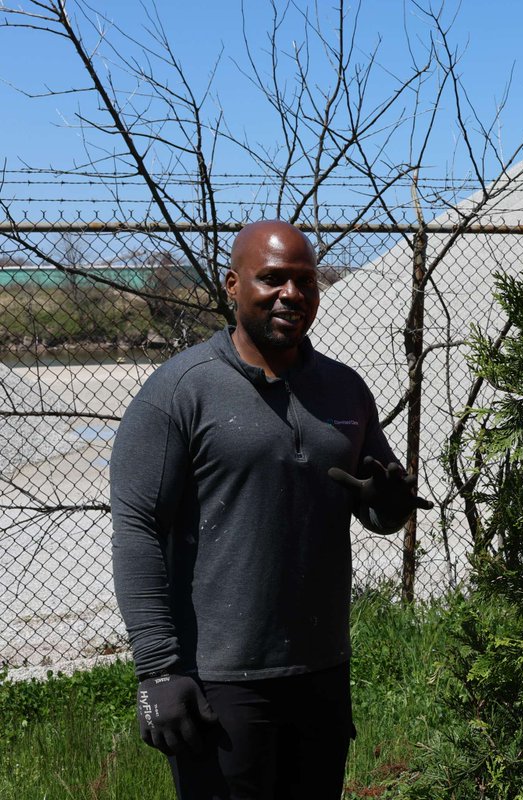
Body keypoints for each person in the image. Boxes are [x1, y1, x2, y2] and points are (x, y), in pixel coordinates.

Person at [110, 220, 431, 799]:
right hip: (220, 683)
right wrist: (158, 668)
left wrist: (390, 508)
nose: (292, 294)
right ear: (233, 286)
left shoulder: (345, 390)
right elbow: (136, 529)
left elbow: (377, 507)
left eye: (305, 281)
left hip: (320, 672)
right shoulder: (180, 390)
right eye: (272, 279)